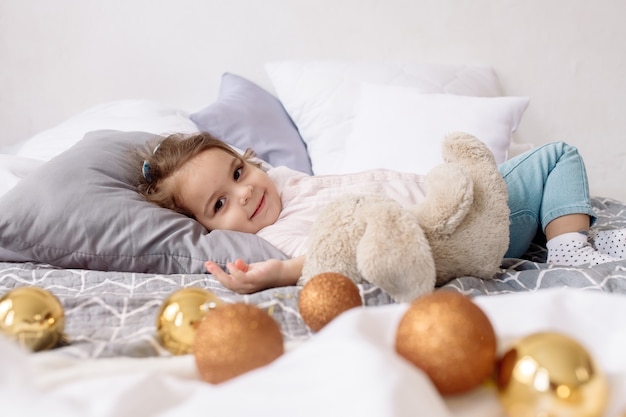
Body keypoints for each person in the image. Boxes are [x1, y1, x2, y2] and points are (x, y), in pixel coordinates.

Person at [137, 132, 625, 294]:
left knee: (544, 168)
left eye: (238, 172)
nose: (243, 194)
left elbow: (254, 168)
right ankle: (567, 249)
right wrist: (278, 275)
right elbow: (331, 259)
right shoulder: (282, 235)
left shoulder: (279, 183)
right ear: (204, 228)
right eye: (219, 204)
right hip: (467, 221)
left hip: (460, 196)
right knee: (557, 155)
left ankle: (566, 231)